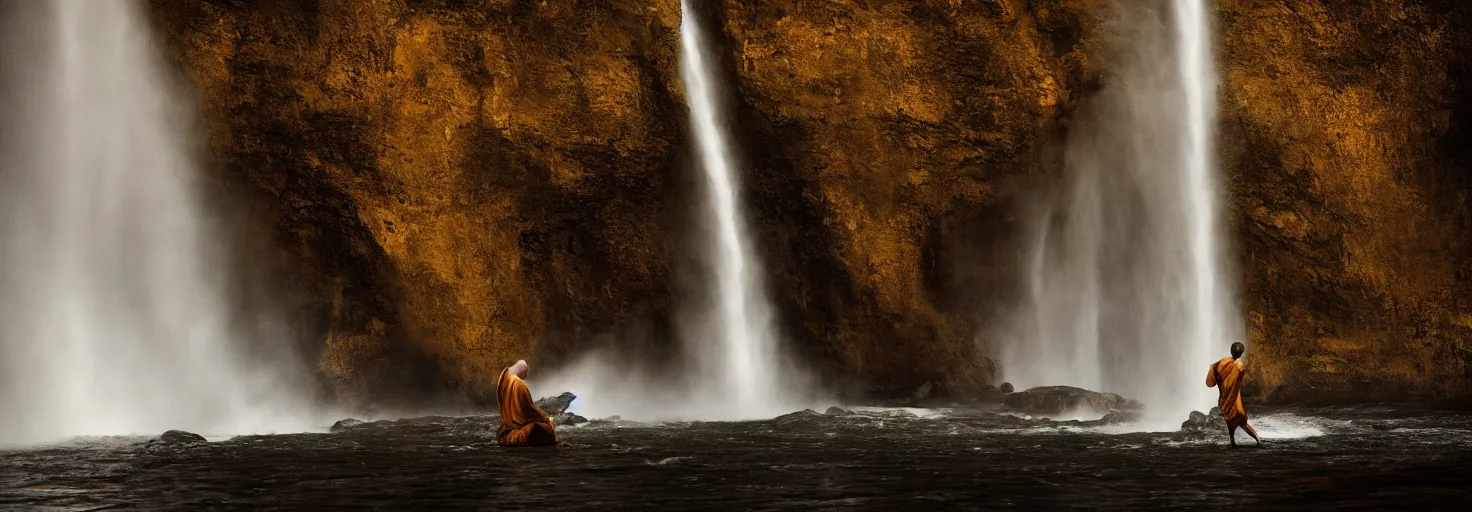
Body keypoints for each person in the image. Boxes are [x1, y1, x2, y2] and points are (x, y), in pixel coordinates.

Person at [1206, 342, 1262, 447]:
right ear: (1242, 353)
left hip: (1223, 398)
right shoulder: (1240, 367)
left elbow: (1210, 380)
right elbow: (1235, 387)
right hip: (1234, 399)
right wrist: (1229, 403)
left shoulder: (1222, 362)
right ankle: (1256, 440)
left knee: (1230, 420)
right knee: (1242, 422)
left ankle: (1234, 441)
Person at [495, 360, 558, 447]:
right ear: (523, 369)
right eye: (526, 373)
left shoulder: (505, 379)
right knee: (546, 429)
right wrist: (546, 418)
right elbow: (528, 407)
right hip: (518, 426)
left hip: (507, 426)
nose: (525, 376)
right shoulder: (519, 384)